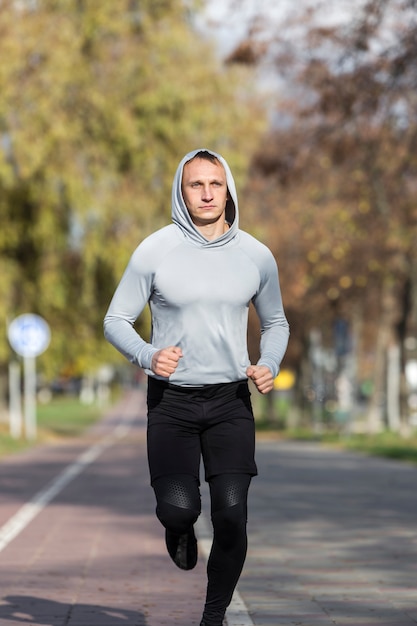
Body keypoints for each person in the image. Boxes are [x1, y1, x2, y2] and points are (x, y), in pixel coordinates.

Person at [103, 148, 289, 626]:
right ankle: (178, 529)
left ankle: (212, 616)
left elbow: (276, 322)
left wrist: (268, 362)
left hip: (230, 402)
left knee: (231, 516)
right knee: (177, 509)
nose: (206, 194)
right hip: (172, 404)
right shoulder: (155, 250)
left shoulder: (256, 255)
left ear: (228, 189)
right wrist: (147, 355)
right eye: (195, 185)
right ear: (181, 191)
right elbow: (116, 319)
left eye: (215, 184)